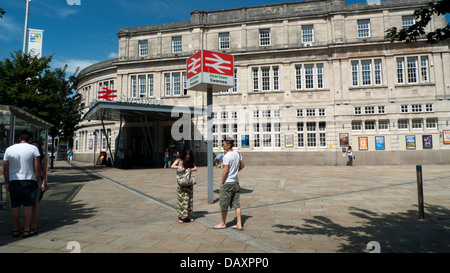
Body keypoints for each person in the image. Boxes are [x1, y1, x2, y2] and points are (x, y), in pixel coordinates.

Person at [3, 131, 41, 238]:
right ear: (30, 140)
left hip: (14, 181)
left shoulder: (9, 149)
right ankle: (26, 229)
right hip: (29, 180)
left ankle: (15, 229)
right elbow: (37, 167)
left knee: (15, 206)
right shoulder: (33, 149)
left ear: (20, 138)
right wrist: (38, 181)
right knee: (27, 206)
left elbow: (5, 168)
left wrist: (7, 182)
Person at [214, 139, 245, 230]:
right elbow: (242, 165)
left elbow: (225, 170)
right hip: (235, 182)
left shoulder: (227, 156)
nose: (222, 146)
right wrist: (235, 172)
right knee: (237, 204)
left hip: (228, 182)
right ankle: (239, 224)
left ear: (229, 145)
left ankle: (223, 223)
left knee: (224, 203)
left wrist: (222, 182)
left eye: (223, 145)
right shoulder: (238, 154)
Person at [171, 149, 197, 223]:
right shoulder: (179, 160)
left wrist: (189, 169)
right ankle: (180, 216)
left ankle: (188, 216)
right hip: (181, 183)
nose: (187, 159)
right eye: (186, 157)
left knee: (189, 200)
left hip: (188, 183)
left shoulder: (190, 161)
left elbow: (196, 168)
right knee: (181, 200)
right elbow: (172, 166)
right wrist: (179, 167)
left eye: (188, 157)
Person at [30, 140, 49, 235]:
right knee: (30, 202)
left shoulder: (43, 158)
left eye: (36, 147)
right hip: (29, 180)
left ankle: (34, 222)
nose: (34, 148)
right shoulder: (28, 156)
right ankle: (29, 222)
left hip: (39, 180)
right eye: (32, 146)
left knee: (36, 201)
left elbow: (44, 170)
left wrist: (44, 182)